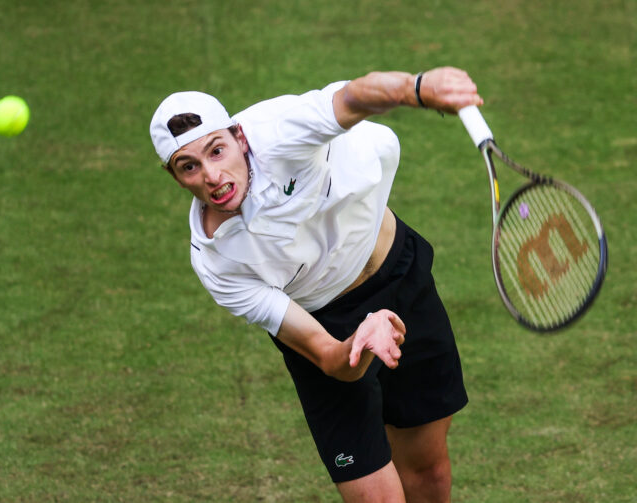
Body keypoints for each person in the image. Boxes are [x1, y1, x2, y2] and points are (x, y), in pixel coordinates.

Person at [149, 67, 484, 503]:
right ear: (176, 177)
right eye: (188, 167)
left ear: (240, 138)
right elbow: (327, 357)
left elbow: (353, 97)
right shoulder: (216, 262)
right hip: (325, 321)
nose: (211, 177)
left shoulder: (278, 129)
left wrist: (417, 88)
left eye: (217, 151)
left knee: (429, 472)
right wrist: (359, 343)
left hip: (398, 274)